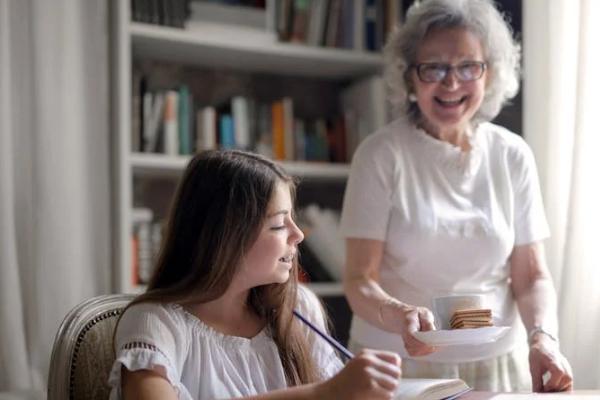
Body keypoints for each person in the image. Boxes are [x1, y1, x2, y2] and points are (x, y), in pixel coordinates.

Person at [340, 0, 573, 393]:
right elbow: (359, 279)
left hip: (497, 361)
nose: (451, 83)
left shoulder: (512, 155)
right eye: (433, 67)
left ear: (490, 74)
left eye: (468, 66)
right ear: (410, 76)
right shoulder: (380, 154)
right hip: (396, 362)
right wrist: (399, 316)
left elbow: (531, 276)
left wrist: (543, 337)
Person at [108, 150, 401, 400]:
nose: (298, 235)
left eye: (292, 220)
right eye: (277, 225)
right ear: (224, 237)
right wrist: (323, 394)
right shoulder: (155, 323)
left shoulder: (299, 308)